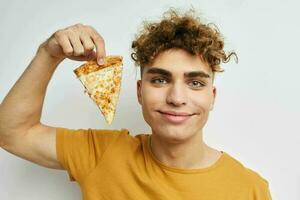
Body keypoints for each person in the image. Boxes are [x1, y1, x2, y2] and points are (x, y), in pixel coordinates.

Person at [0, 8, 272, 200]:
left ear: (212, 96)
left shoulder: (251, 190)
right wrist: (48, 54)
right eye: (161, 80)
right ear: (140, 92)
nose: (177, 98)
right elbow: (11, 133)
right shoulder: (101, 154)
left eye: (195, 83)